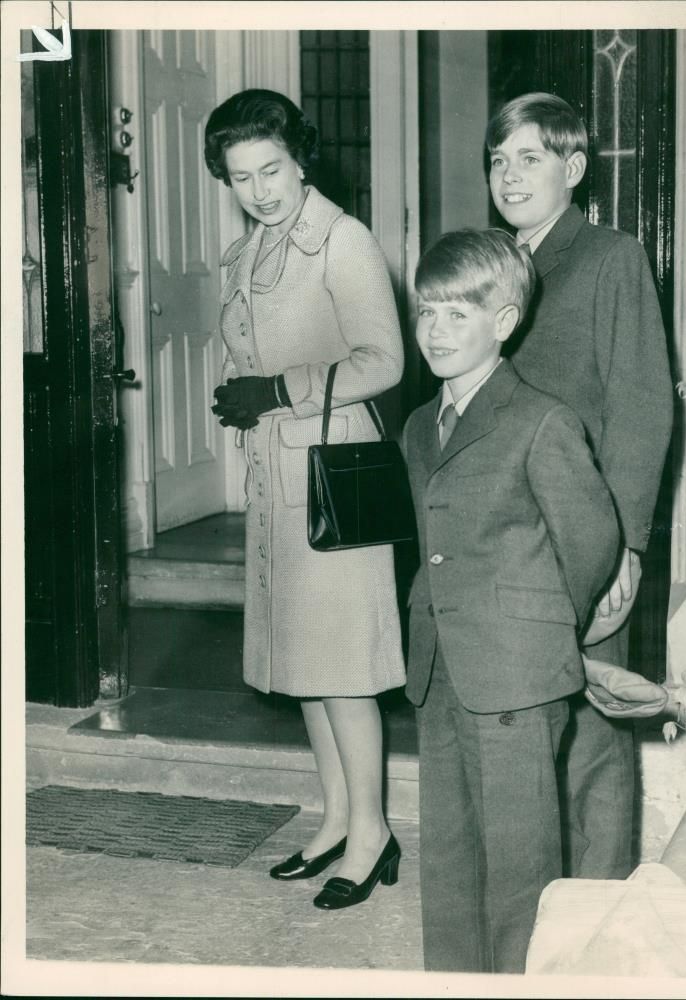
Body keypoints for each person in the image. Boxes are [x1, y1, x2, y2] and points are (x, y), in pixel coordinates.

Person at [204, 89, 404, 910]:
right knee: (308, 669)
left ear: (301, 159)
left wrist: (276, 388)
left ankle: (373, 833)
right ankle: (334, 821)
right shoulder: (246, 252)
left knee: (346, 670)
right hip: (273, 479)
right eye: (241, 176)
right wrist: (246, 395)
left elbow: (384, 361)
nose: (259, 190)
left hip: (332, 481)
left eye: (272, 169)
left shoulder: (342, 242)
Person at [402, 228, 620, 972]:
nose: (434, 330)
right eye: (426, 311)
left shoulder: (542, 422)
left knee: (521, 866)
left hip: (518, 675)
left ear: (504, 321)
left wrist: (534, 627)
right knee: (451, 854)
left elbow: (590, 547)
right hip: (441, 667)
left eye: (456, 315)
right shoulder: (416, 428)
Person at [485, 92, 674, 880]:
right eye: (498, 160)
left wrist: (625, 547)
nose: (509, 175)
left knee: (594, 733)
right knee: (528, 724)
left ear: (572, 168)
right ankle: (536, 889)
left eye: (529, 158)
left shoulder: (609, 257)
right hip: (508, 537)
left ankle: (597, 904)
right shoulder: (494, 266)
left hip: (585, 536)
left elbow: (641, 407)